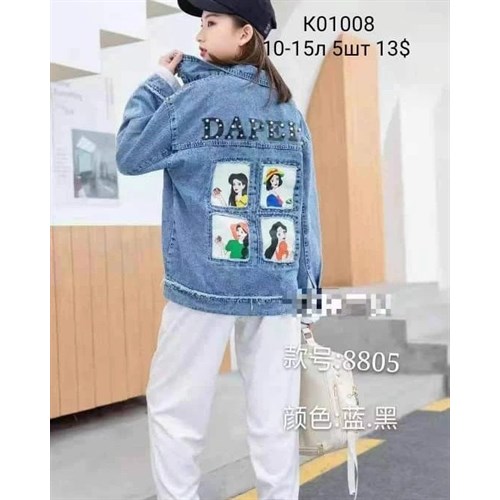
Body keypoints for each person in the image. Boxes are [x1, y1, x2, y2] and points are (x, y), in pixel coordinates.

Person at [115, 1, 323, 498]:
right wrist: (308, 295)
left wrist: (157, 85)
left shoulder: (193, 99)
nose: (199, 34)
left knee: (176, 412)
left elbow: (129, 154)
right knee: (274, 419)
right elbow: (305, 211)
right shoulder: (288, 111)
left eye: (210, 22)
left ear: (245, 33)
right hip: (276, 287)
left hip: (201, 285)